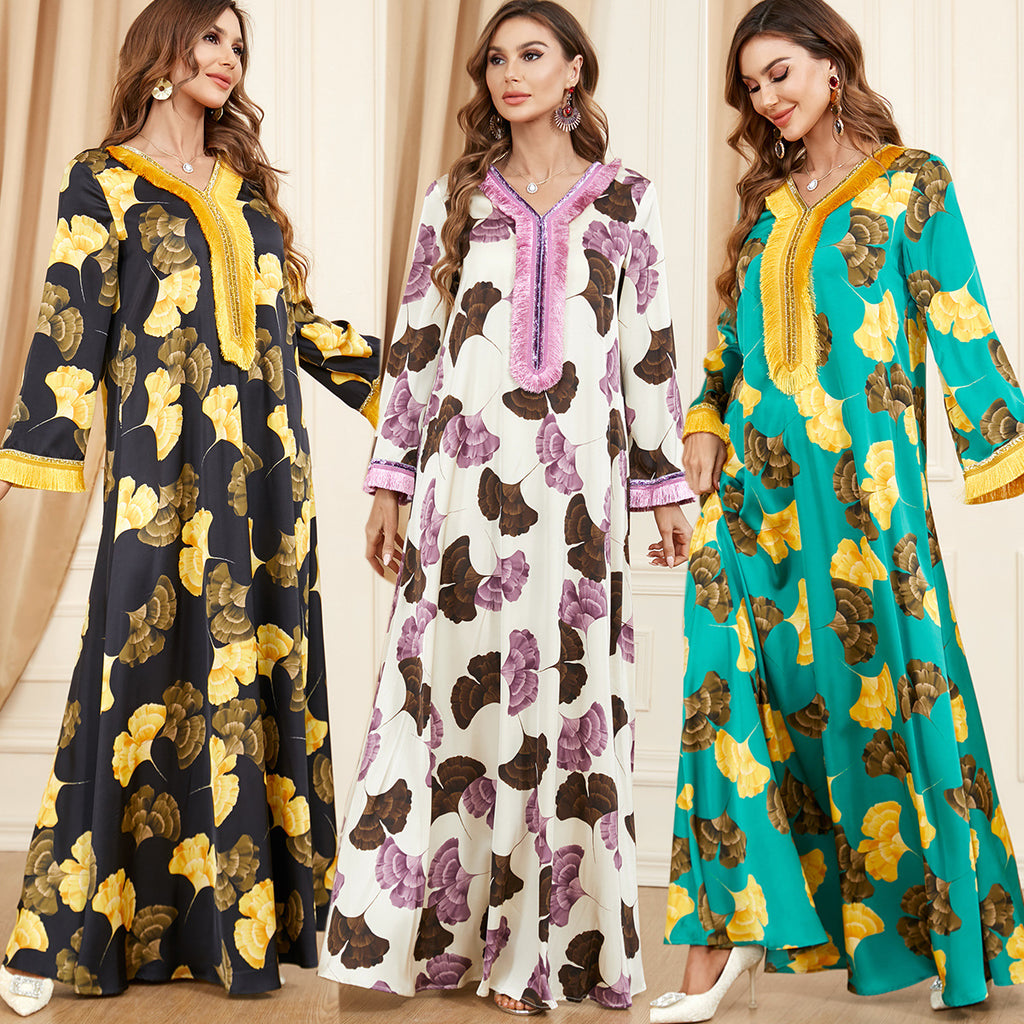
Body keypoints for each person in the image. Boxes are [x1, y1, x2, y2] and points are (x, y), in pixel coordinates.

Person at [0, 0, 378, 1013]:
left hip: (266, 477)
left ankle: (240, 932)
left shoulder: (244, 189)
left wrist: (416, 382)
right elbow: (72, 318)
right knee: (131, 672)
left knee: (258, 672)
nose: (229, 58)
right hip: (158, 477)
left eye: (238, 45)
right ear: (162, 53)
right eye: (211, 38)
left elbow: (294, 322)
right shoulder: (105, 179)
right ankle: (61, 935)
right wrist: (30, 451)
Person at [317, 0, 693, 1014]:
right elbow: (415, 346)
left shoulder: (628, 201)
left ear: (574, 72)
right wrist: (391, 480)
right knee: (439, 700)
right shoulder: (454, 199)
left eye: (533, 54)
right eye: (496, 60)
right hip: (461, 494)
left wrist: (662, 485)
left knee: (563, 707)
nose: (510, 73)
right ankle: (422, 939)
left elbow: (648, 348)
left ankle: (550, 950)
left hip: (577, 500)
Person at [652, 1, 1024, 1020]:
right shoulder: (766, 211)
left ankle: (948, 939)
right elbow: (728, 352)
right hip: (753, 493)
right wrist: (701, 422)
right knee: (720, 689)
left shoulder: (912, 182)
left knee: (888, 699)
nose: (767, 97)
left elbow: (958, 312)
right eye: (752, 85)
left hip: (867, 497)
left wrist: (999, 441)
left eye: (779, 73)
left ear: (831, 65)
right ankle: (717, 942)